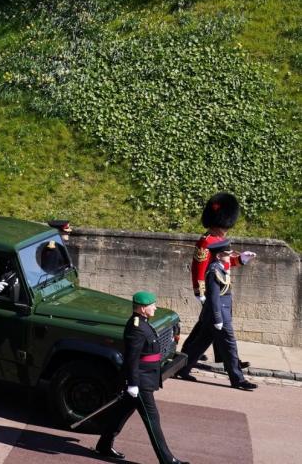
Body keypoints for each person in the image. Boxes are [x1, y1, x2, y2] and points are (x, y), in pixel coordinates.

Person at [93, 291, 188, 464]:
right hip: (140, 381)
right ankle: (167, 460)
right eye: (152, 305)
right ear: (143, 309)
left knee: (121, 412)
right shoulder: (136, 328)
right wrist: (133, 384)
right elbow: (132, 358)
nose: (155, 307)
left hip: (145, 377)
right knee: (152, 420)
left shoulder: (143, 323)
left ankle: (104, 445)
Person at [181, 192, 254, 371]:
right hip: (211, 291)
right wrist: (200, 293)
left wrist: (241, 260)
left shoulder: (221, 240)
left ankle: (186, 357)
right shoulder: (205, 242)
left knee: (205, 326)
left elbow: (225, 263)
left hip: (222, 289)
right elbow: (198, 269)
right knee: (217, 326)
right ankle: (231, 363)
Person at [178, 238, 257, 391]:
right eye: (227, 254)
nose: (230, 256)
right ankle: (238, 379)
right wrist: (218, 318)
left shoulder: (219, 267)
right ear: (219, 256)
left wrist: (243, 260)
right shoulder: (214, 270)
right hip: (218, 314)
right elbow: (214, 297)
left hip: (216, 314)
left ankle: (182, 369)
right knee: (229, 346)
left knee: (200, 344)